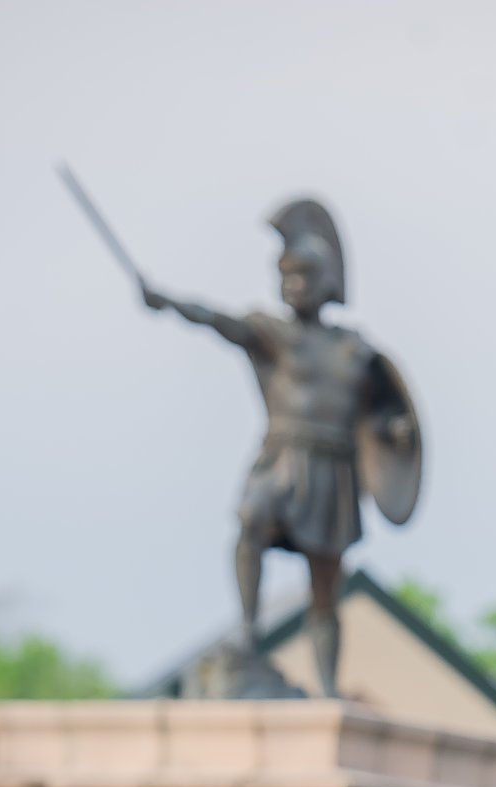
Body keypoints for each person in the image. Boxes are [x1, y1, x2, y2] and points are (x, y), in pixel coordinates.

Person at [141, 199, 419, 697]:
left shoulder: (354, 350)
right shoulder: (272, 335)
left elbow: (385, 412)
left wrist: (396, 431)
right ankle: (248, 632)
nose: (292, 287)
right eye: (285, 278)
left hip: (334, 468)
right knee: (252, 518)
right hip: (283, 457)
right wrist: (167, 301)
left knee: (325, 585)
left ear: (327, 281)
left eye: (303, 277)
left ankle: (328, 685)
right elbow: (215, 319)